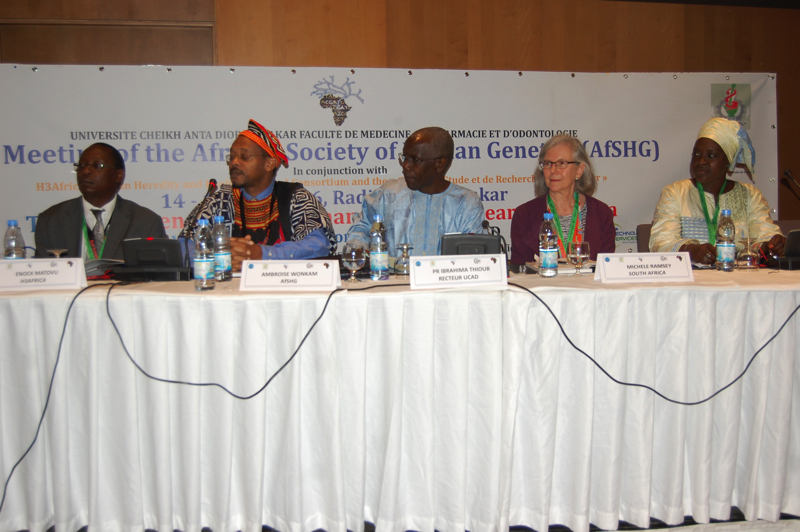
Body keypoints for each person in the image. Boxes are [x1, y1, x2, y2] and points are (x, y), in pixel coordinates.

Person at [180, 119, 337, 271]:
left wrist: (262, 254)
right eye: (232, 156)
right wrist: (221, 258)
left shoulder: (296, 198)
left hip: (283, 284)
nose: (234, 162)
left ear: (270, 163)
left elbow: (319, 245)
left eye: (244, 156)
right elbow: (183, 246)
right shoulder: (219, 200)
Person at [649, 117, 785, 264]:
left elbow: (765, 234)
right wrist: (691, 251)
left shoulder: (750, 195)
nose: (701, 161)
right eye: (697, 154)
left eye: (711, 156)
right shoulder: (675, 192)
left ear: (728, 161)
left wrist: (772, 244)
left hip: (739, 274)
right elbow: (660, 242)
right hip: (691, 275)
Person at [345, 127, 484, 257]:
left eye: (415, 160)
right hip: (395, 275)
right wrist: (360, 249)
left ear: (440, 164)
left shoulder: (466, 203)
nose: (406, 166)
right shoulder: (388, 194)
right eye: (405, 158)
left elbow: (473, 256)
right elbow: (362, 228)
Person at [34, 142, 166, 260]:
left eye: (97, 165)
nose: (86, 171)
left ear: (119, 175)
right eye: (82, 165)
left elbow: (157, 275)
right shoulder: (51, 221)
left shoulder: (146, 223)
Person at [510, 134, 615, 263]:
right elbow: (519, 268)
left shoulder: (601, 213)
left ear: (579, 170)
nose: (553, 170)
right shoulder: (525, 215)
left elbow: (607, 267)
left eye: (562, 163)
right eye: (548, 163)